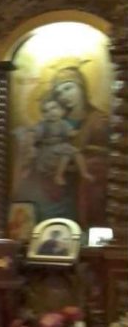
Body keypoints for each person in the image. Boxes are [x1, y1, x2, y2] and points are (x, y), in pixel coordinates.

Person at [51, 65, 109, 227]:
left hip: (90, 184)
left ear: (81, 87)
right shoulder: (57, 123)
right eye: (59, 93)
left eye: (68, 88)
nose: (64, 96)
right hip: (63, 185)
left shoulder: (99, 120)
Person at [27, 96, 93, 186]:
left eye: (54, 108)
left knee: (76, 153)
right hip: (48, 149)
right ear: (44, 115)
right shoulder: (43, 125)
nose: (51, 112)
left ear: (61, 110)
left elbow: (70, 133)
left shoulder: (63, 123)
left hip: (61, 146)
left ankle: (84, 173)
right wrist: (32, 136)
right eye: (46, 111)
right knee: (66, 153)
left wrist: (82, 129)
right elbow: (36, 135)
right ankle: (58, 176)